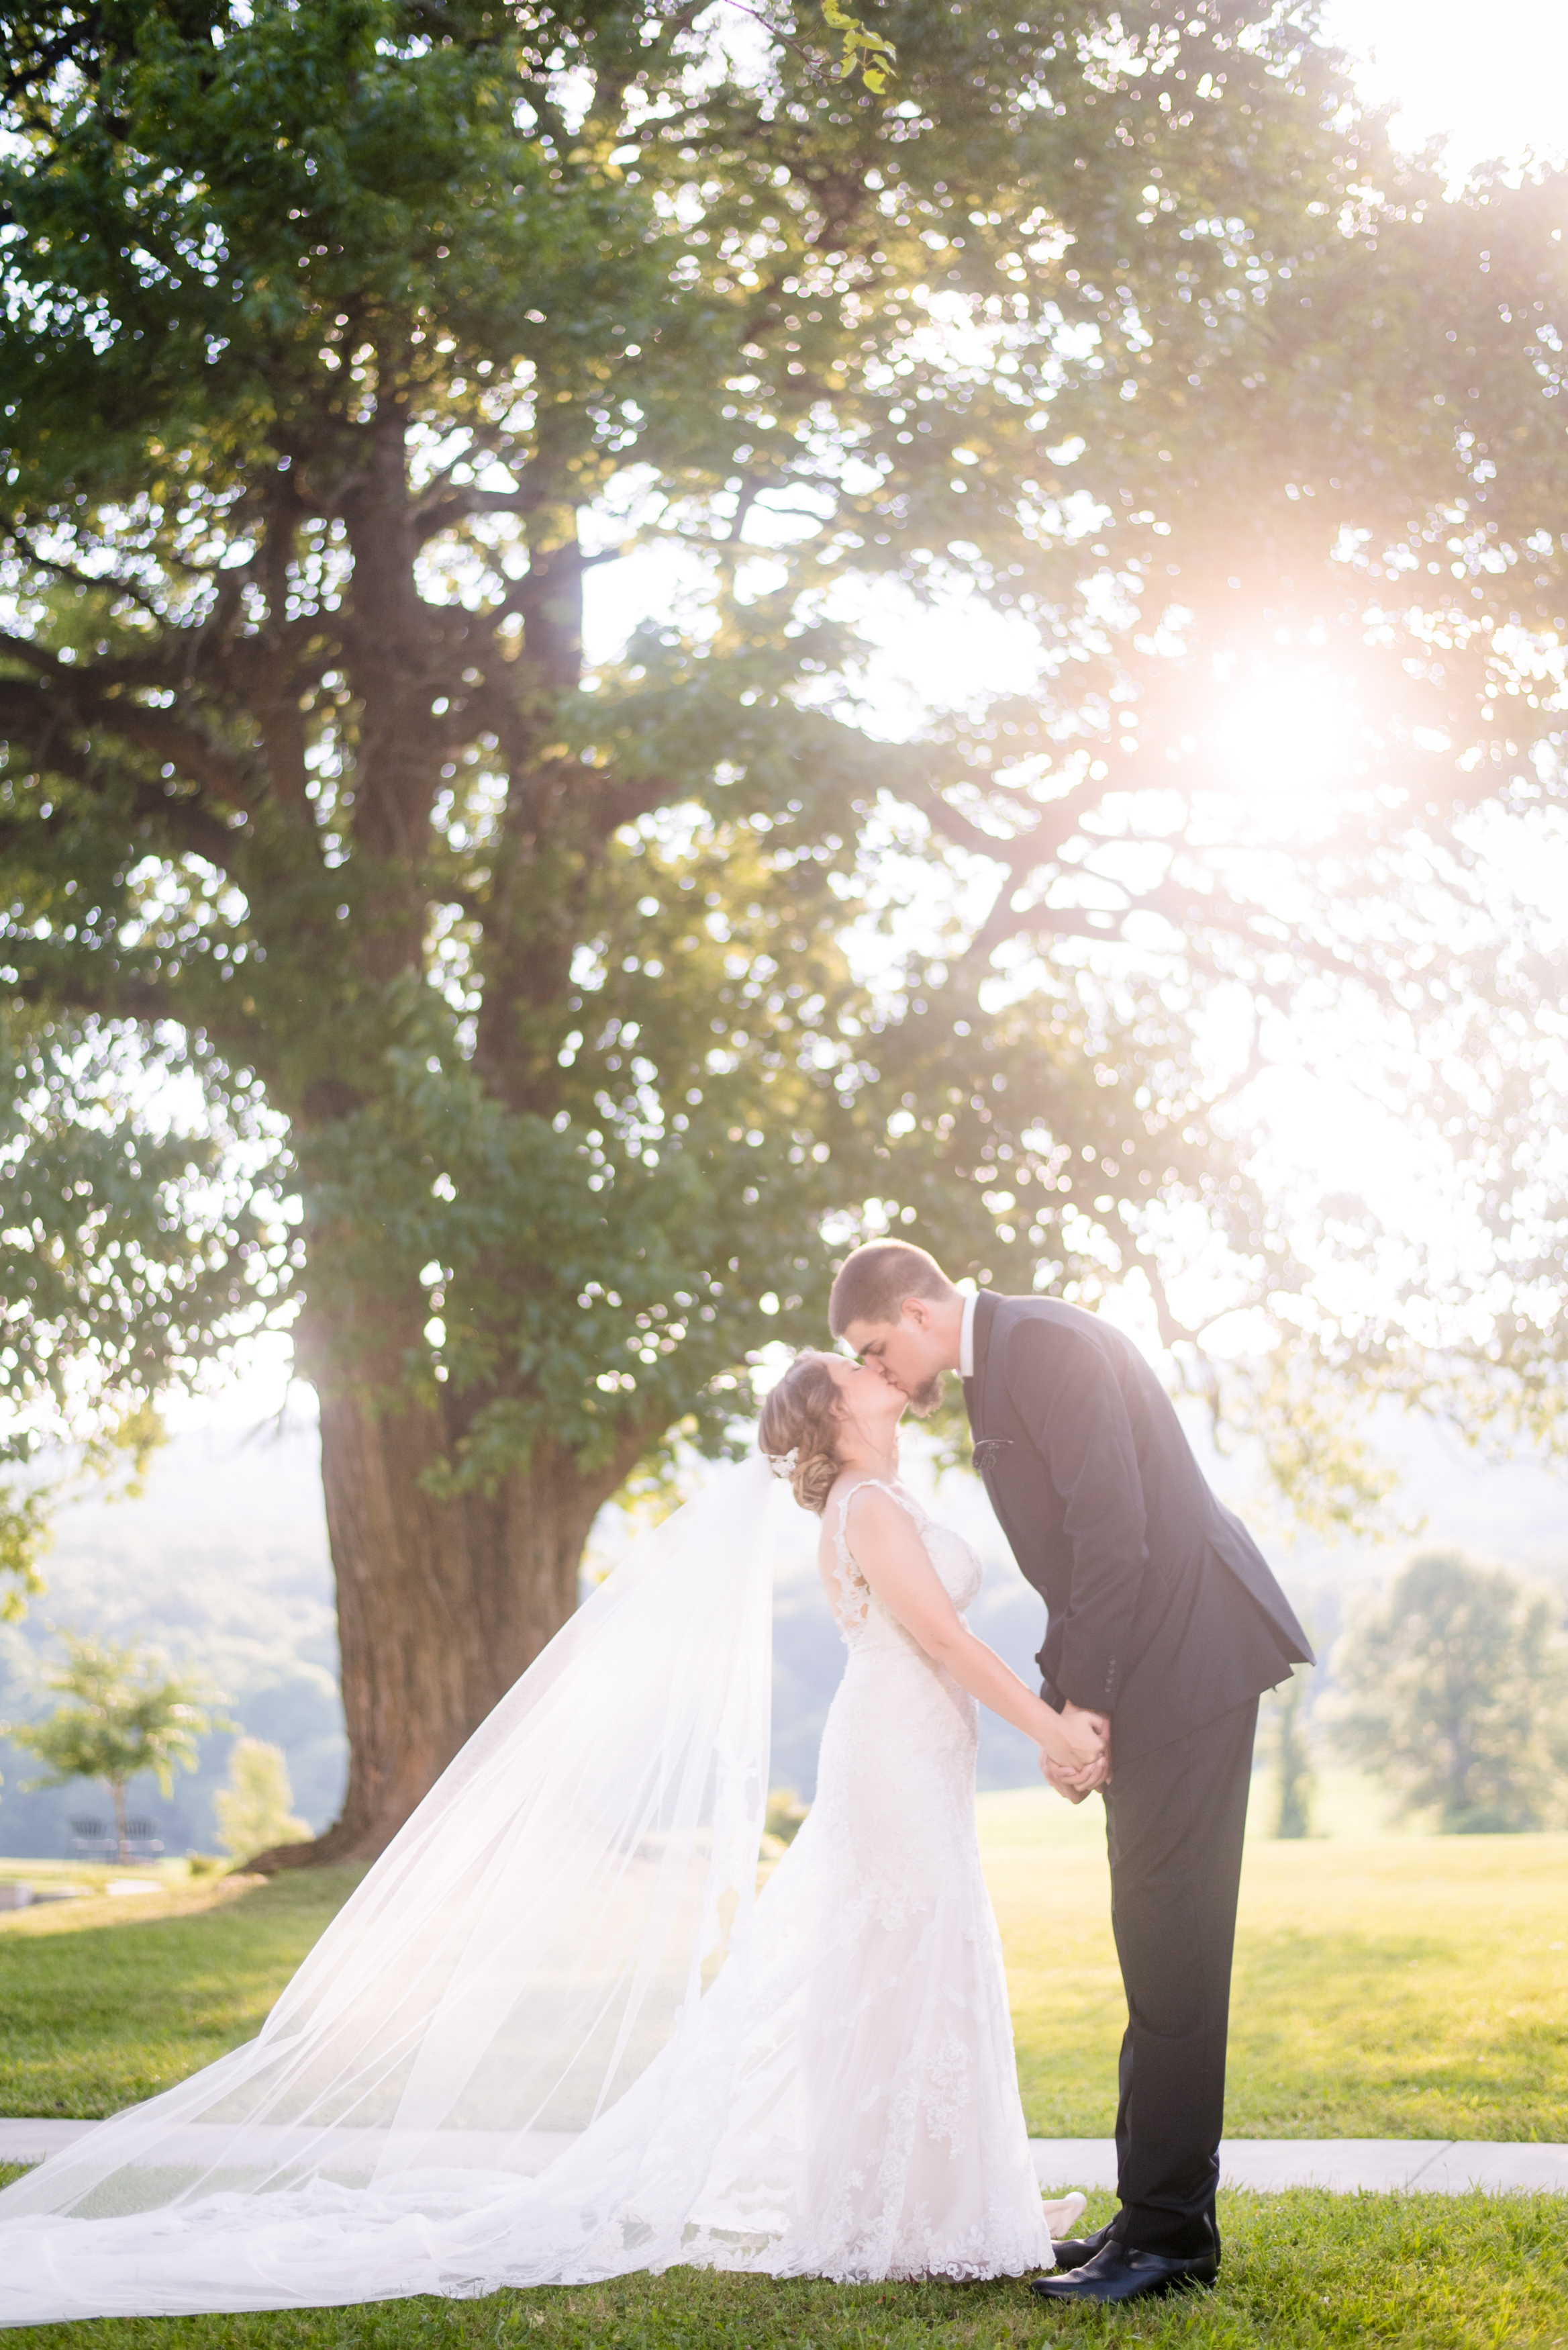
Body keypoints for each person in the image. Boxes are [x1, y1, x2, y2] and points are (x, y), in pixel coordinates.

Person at [0, 1346, 1087, 2324]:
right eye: (852, 1364)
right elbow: (942, 1640)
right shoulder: (868, 1509)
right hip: (895, 1754)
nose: (874, 1364)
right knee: (906, 1959)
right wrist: (1051, 1730)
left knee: (910, 1963)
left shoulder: (879, 1496)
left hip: (911, 1752)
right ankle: (912, 2214)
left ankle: (943, 2197)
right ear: (833, 1412)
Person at [830, 1239, 1313, 2308]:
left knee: (1172, 1945)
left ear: (914, 1312)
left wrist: (1078, 1708)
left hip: (1191, 1661)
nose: (878, 1375)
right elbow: (1075, 1566)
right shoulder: (998, 1369)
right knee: (1152, 1938)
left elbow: (1114, 1536)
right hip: (1151, 1671)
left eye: (873, 1349)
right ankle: (1148, 2215)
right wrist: (1070, 1699)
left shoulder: (1042, 1345)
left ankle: (1174, 2239)